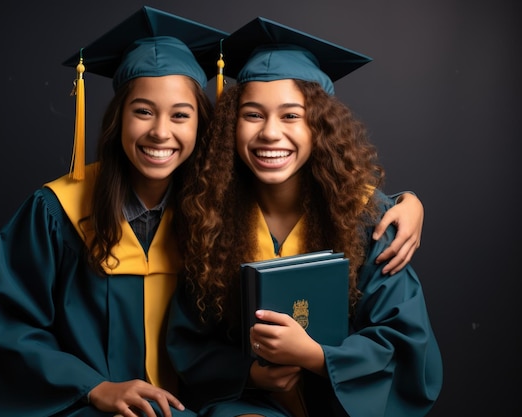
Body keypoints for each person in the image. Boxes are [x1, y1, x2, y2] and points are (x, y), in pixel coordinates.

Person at [166, 16, 443, 417]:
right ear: (231, 124)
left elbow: (403, 340)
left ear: (320, 126)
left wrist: (315, 356)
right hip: (251, 402)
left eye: (291, 115)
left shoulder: (369, 221)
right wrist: (251, 373)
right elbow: (189, 341)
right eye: (253, 115)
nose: (270, 133)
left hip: (342, 403)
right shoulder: (209, 213)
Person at [0, 7, 227, 417]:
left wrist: (368, 209)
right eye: (143, 111)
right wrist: (94, 387)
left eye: (181, 115)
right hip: (88, 407)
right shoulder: (56, 212)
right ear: (118, 118)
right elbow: (8, 328)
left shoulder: (214, 209)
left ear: (200, 125)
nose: (161, 131)